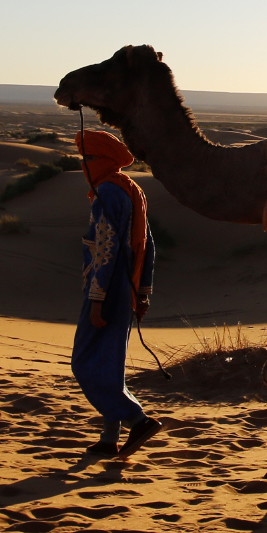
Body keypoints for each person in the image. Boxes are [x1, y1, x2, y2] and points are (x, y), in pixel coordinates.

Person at [71, 128, 162, 457]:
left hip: (107, 290)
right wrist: (143, 291)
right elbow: (147, 245)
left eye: (89, 158)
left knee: (84, 364)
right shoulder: (131, 188)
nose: (84, 165)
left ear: (104, 160)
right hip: (125, 288)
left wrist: (97, 299)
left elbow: (107, 249)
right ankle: (110, 439)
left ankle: (138, 419)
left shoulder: (109, 191)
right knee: (109, 363)